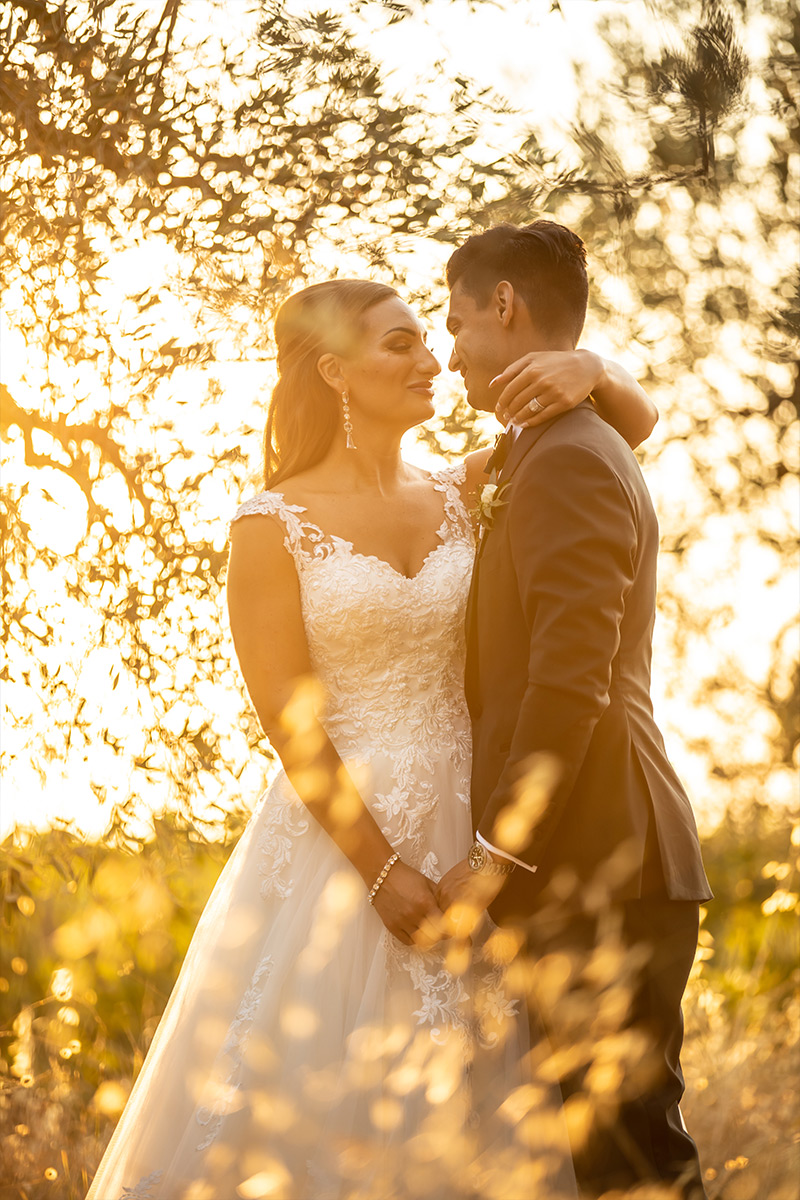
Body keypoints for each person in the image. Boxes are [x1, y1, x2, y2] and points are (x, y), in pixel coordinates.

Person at [86, 274, 657, 1200]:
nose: (433, 360)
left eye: (429, 341)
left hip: (476, 830)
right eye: (401, 344)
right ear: (334, 372)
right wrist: (380, 871)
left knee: (473, 1114)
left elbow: (626, 427)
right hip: (342, 851)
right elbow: (291, 721)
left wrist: (589, 365)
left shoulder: (471, 484)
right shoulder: (269, 526)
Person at [436, 220, 712, 1199]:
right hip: (582, 862)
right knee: (600, 1157)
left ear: (502, 304)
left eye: (455, 318)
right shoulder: (545, 444)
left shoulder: (566, 455)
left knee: (632, 1162)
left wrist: (495, 857)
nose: (448, 346)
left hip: (603, 856)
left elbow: (568, 683)